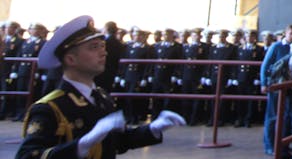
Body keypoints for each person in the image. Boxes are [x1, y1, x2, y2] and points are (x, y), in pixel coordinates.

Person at [16, 15, 184, 159]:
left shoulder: (101, 97)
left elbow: (117, 141)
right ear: (71, 59)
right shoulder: (49, 108)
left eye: (102, 46)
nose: (103, 53)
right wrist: (82, 145)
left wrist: (152, 129)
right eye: (93, 47)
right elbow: (28, 155)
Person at [261, 24, 292, 156]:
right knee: (272, 117)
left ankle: (283, 145)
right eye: (291, 34)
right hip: (275, 86)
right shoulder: (276, 47)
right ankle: (269, 146)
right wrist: (264, 83)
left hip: (288, 87)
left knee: (285, 117)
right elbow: (265, 65)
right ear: (286, 33)